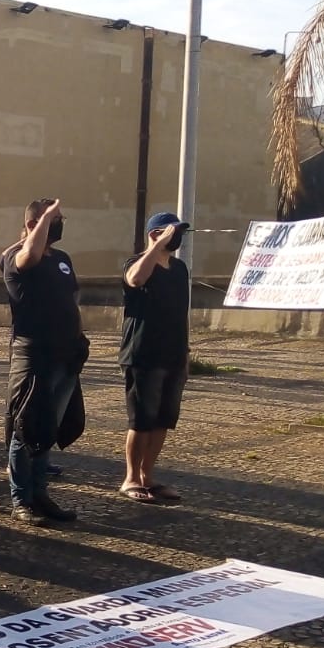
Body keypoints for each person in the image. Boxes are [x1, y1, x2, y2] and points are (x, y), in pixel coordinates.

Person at [0, 199, 85, 526]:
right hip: (34, 355)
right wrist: (43, 220)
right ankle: (21, 500)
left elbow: (72, 299)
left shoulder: (62, 259)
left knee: (48, 428)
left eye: (60, 218)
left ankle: (40, 493)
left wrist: (79, 338)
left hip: (66, 355)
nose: (60, 223)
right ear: (34, 223)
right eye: (54, 219)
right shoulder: (16, 257)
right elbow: (29, 256)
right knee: (27, 428)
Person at [119, 212, 192, 505]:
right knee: (141, 420)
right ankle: (131, 478)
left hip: (173, 354)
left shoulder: (179, 269)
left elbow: (181, 312)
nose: (177, 237)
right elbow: (135, 279)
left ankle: (148, 475)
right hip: (143, 354)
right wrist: (156, 246)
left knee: (163, 419)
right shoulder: (136, 263)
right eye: (173, 232)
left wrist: (185, 353)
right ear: (155, 234)